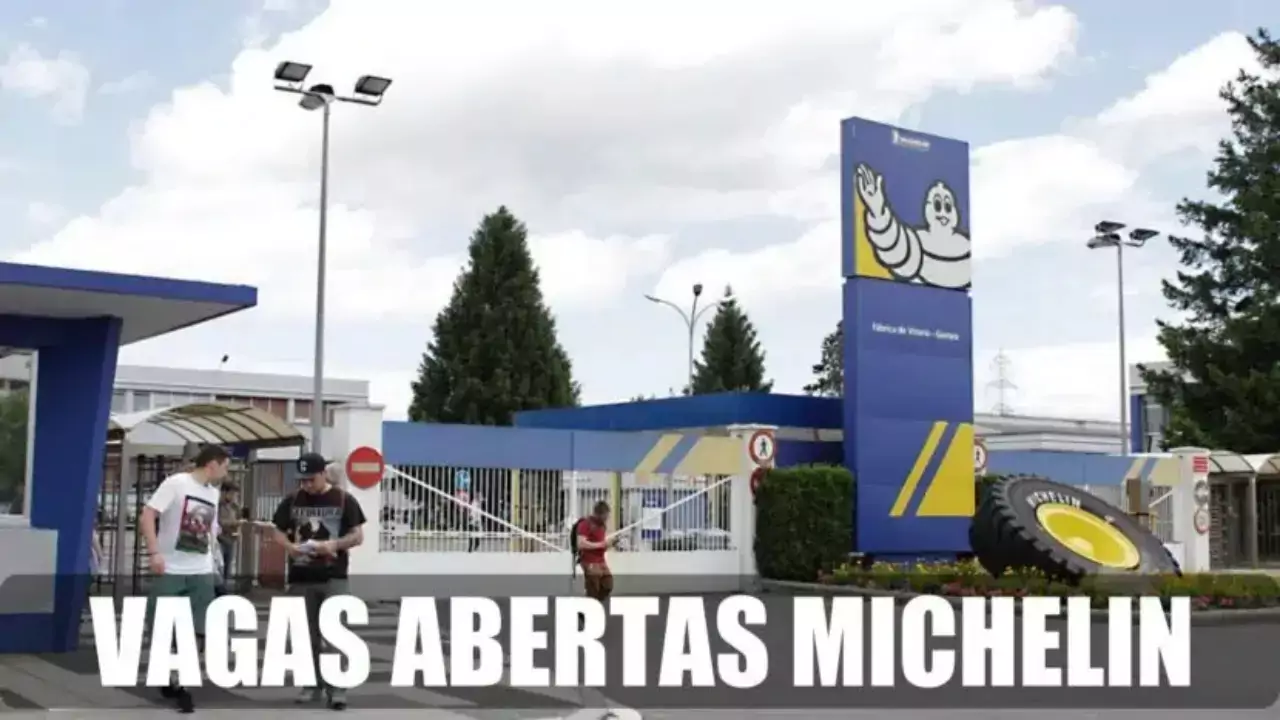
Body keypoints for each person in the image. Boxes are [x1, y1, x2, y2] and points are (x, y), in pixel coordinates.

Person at [139, 443, 230, 714]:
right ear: (211, 464)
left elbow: (211, 532)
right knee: (163, 628)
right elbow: (148, 514)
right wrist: (154, 552)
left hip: (201, 570)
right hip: (171, 569)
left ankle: (182, 683)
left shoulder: (213, 493)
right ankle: (168, 675)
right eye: (225, 466)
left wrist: (215, 564)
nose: (226, 472)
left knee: (197, 630)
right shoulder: (177, 484)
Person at [272, 452, 366, 710]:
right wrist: (289, 547)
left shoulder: (344, 500)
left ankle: (337, 690)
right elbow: (277, 530)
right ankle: (311, 685)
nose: (306, 485)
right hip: (301, 577)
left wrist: (333, 545)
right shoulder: (292, 500)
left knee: (335, 633)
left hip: (334, 576)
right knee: (305, 635)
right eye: (302, 480)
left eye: (311, 479)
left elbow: (357, 535)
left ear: (323, 474)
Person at [575, 501, 618, 602]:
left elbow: (600, 544)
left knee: (608, 584)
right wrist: (601, 544)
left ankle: (594, 602)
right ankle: (590, 604)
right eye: (605, 516)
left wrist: (609, 544)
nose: (607, 518)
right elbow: (581, 544)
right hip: (589, 560)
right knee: (593, 587)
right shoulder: (586, 524)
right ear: (598, 514)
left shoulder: (602, 525)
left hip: (600, 560)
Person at [217, 481, 243, 591]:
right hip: (220, 539)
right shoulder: (218, 505)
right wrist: (234, 523)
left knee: (228, 566)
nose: (233, 497)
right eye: (232, 494)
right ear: (224, 492)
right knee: (220, 566)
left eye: (235, 495)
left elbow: (239, 519)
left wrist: (238, 528)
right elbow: (219, 522)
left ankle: (224, 588)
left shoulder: (235, 507)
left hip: (230, 539)